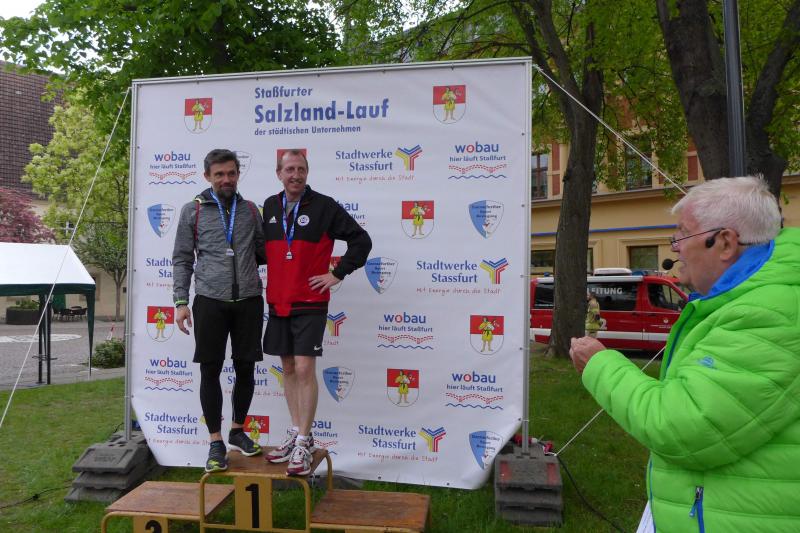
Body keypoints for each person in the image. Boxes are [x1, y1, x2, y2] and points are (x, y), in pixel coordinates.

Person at [569, 177, 800, 532]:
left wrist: (599, 365)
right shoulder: (750, 299)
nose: (674, 247)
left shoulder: (765, 314)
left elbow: (681, 424)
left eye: (683, 234)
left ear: (725, 242)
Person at [262, 149, 371, 476]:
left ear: (307, 172)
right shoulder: (269, 206)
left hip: (309, 301)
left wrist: (337, 274)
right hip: (278, 301)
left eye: (301, 169)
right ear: (279, 174)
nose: (295, 175)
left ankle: (305, 441)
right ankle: (297, 433)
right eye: (289, 169)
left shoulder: (324, 206)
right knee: (288, 368)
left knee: (304, 368)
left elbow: (361, 241)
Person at [172, 149, 266, 473]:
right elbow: (182, 258)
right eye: (219, 174)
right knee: (210, 371)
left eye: (231, 173)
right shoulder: (193, 211)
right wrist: (180, 302)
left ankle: (237, 431)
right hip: (210, 301)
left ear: (238, 174)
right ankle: (215, 442)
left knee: (246, 369)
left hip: (249, 300)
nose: (226, 179)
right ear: (207, 177)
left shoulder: (251, 210)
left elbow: (264, 252)